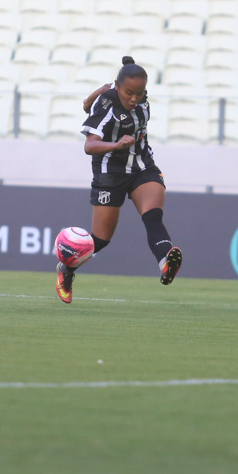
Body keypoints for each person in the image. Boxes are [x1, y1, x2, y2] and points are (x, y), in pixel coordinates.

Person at [55, 56, 182, 303]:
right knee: (100, 239)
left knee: (153, 215)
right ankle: (66, 269)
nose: (134, 98)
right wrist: (117, 143)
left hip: (141, 166)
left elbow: (89, 103)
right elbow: (89, 145)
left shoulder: (139, 99)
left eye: (139, 92)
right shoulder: (107, 107)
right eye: (128, 93)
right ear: (117, 87)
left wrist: (103, 91)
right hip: (109, 171)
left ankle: (166, 261)